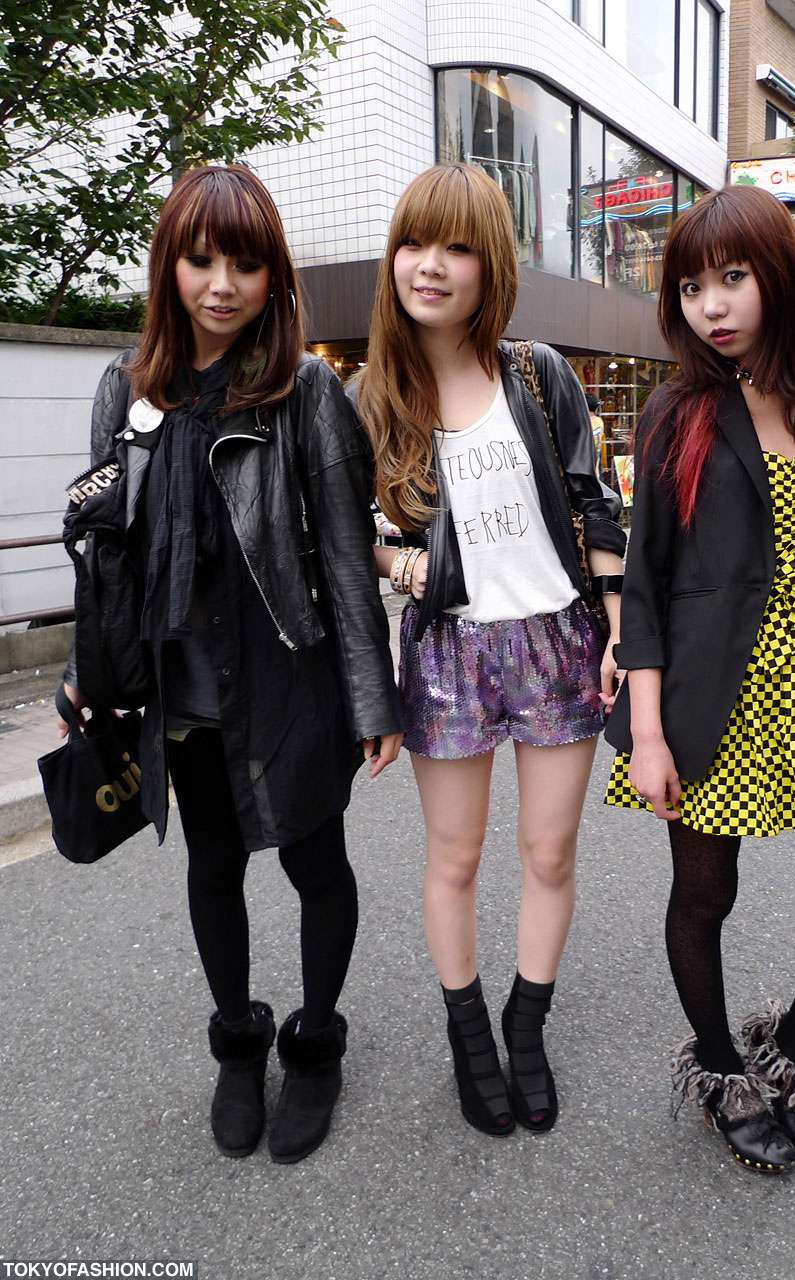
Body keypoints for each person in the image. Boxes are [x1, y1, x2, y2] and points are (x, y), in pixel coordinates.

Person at [58, 165, 403, 1164]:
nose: (220, 282)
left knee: (313, 861)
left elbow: (345, 553)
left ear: (271, 275)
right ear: (169, 264)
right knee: (213, 865)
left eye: (244, 262)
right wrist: (91, 666)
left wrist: (370, 697)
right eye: (200, 258)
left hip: (291, 680)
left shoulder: (307, 391)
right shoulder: (124, 390)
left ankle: (318, 1040)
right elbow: (105, 548)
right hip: (182, 695)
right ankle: (239, 1044)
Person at [604, 184, 795, 1173]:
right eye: (691, 286)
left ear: (778, 274)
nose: (711, 305)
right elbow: (642, 585)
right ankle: (722, 1068)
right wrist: (646, 732)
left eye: (731, 277)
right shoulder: (678, 411)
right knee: (705, 894)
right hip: (710, 703)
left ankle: (790, 1052)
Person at [353, 163, 625, 1136]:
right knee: (455, 856)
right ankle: (471, 1036)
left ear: (488, 263)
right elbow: (342, 532)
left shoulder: (537, 372)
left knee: (549, 850)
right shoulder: (369, 396)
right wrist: (397, 563)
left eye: (456, 246)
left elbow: (596, 501)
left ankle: (528, 1020)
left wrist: (619, 629)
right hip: (448, 655)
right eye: (415, 243)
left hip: (557, 638)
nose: (431, 265)